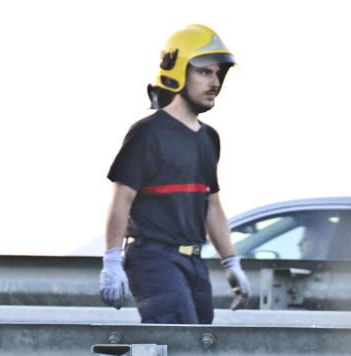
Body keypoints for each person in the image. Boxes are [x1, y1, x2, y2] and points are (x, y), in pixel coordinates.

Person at [99, 24, 251, 323]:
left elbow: (213, 206)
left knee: (200, 348)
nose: (215, 82)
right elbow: (122, 199)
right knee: (179, 343)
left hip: (193, 261)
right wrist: (112, 261)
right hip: (153, 258)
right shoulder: (148, 133)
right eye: (205, 72)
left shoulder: (209, 138)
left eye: (218, 74)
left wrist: (231, 261)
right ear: (178, 71)